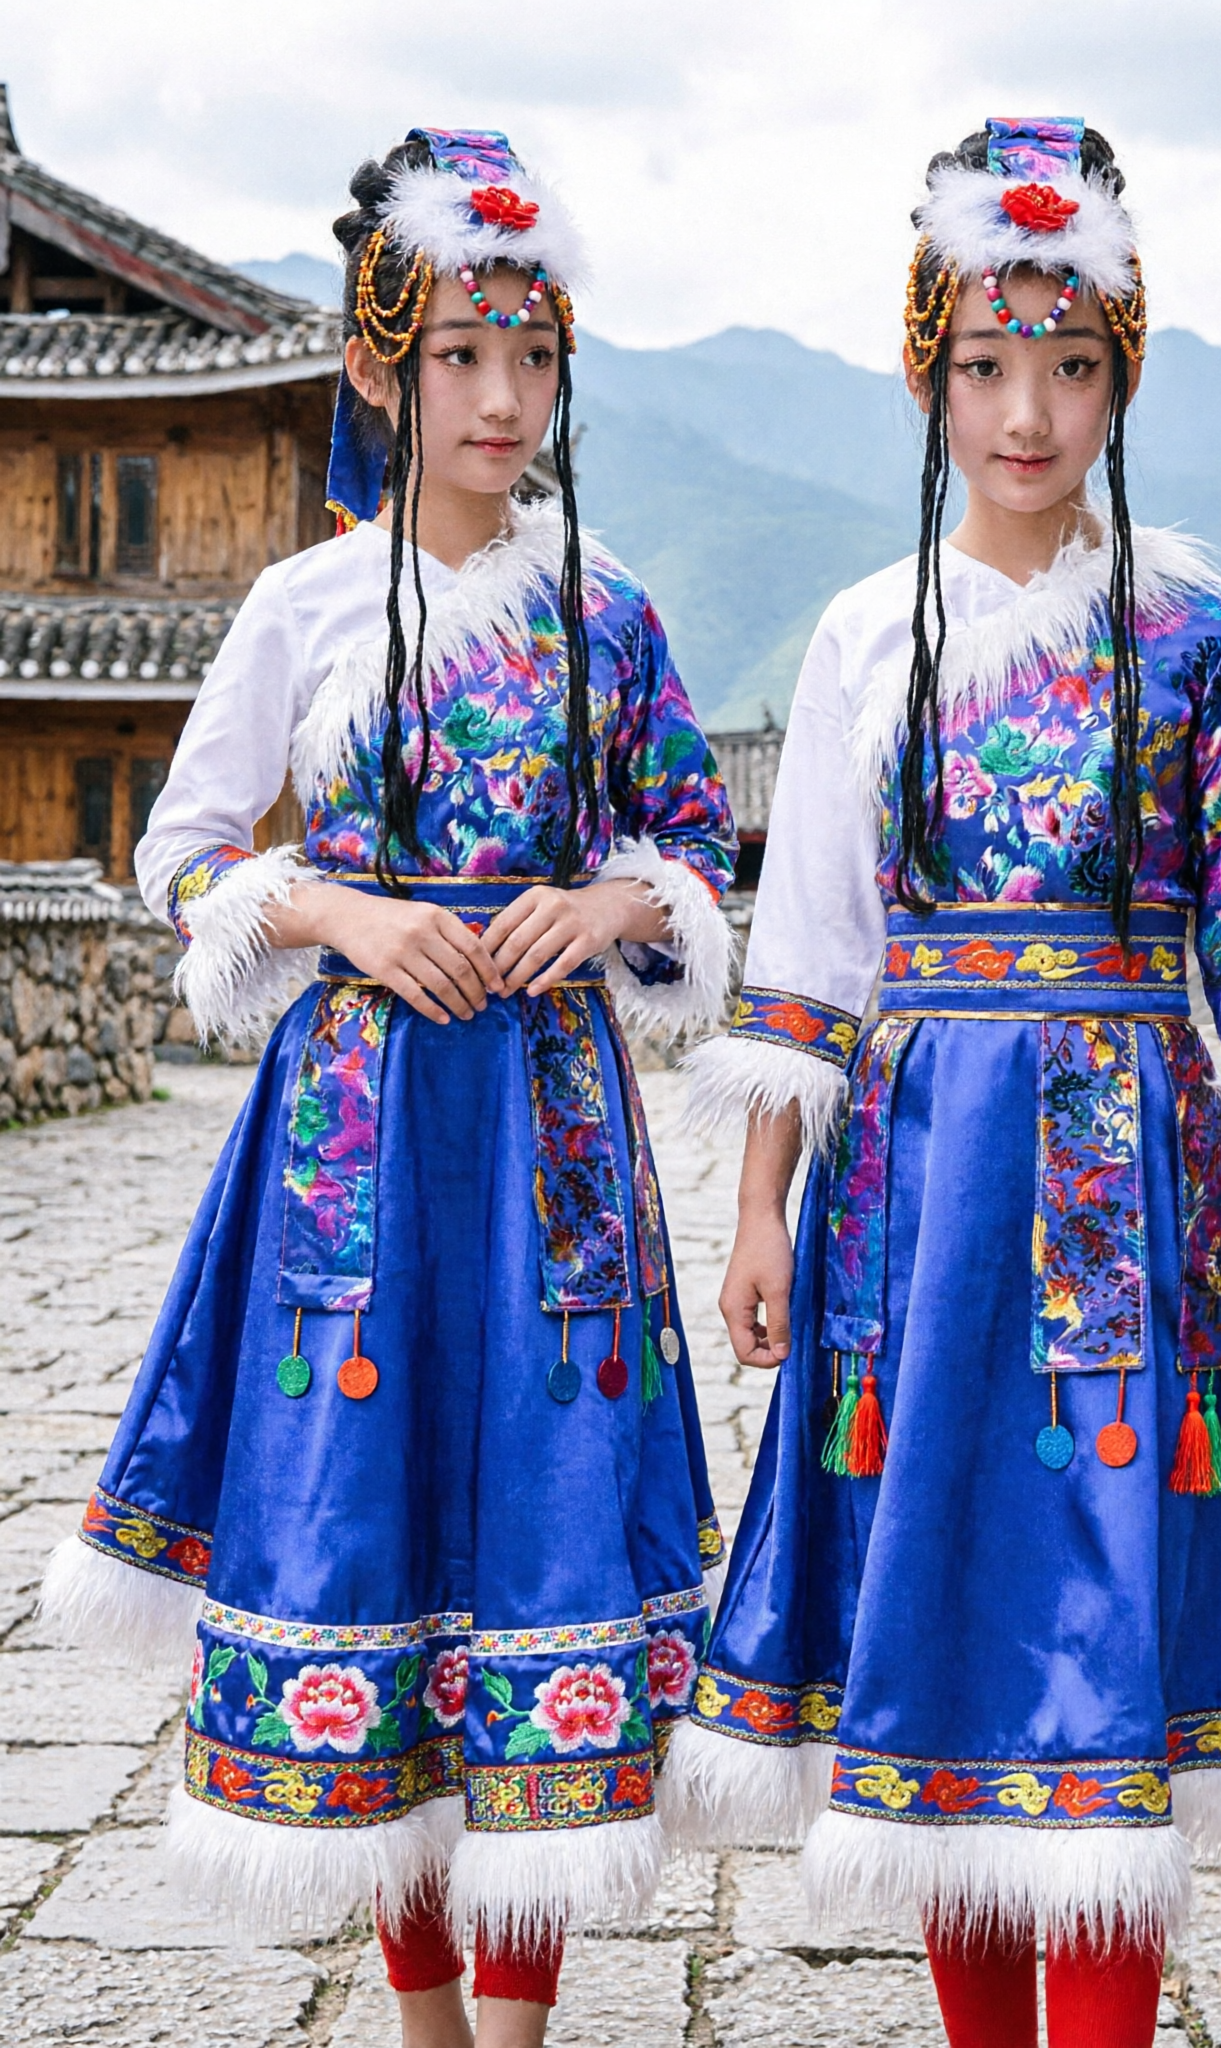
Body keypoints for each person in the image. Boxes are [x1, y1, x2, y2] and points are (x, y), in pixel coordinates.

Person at [674, 116, 1221, 2048]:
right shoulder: (861, 636)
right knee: (950, 1646)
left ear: (1120, 376)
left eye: (1070, 366)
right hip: (915, 1201)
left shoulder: (1197, 639)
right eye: (987, 365)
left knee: (1106, 1665)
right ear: (929, 370)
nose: (1027, 411)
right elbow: (812, 950)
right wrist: (758, 1201)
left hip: (1133, 1194)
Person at [37, 128, 737, 2047]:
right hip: (353, 1140)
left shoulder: (612, 617)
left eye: (533, 354)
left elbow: (701, 858)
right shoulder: (298, 609)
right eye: (459, 355)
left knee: (539, 1564)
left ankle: (510, 2031)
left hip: (551, 1140)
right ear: (380, 366)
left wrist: (608, 901)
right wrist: (335, 907)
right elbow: (184, 855)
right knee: (381, 1555)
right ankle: (427, 2030)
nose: (503, 396)